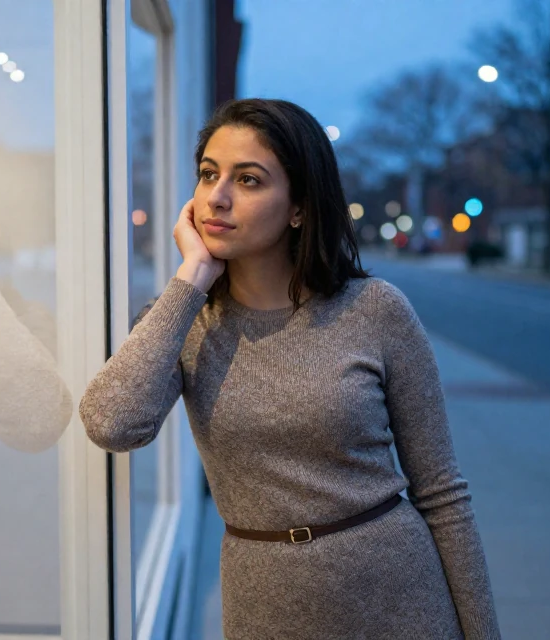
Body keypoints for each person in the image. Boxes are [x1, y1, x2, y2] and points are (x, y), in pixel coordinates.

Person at [79, 99, 501, 639]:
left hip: (398, 599)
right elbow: (111, 424)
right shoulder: (183, 319)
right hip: (264, 607)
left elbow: (441, 491)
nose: (218, 197)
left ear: (299, 207)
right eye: (209, 175)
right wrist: (191, 280)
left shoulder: (375, 310)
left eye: (249, 180)